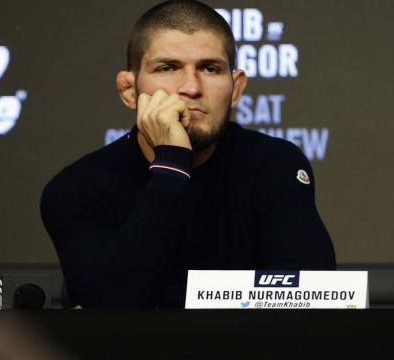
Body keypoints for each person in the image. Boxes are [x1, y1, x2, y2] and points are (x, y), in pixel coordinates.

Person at [40, 0, 335, 308]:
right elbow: (110, 306)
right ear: (129, 91)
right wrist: (171, 164)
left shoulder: (274, 164)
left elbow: (314, 294)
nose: (191, 88)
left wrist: (160, 302)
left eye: (210, 68)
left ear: (235, 89)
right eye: (167, 68)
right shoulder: (77, 187)